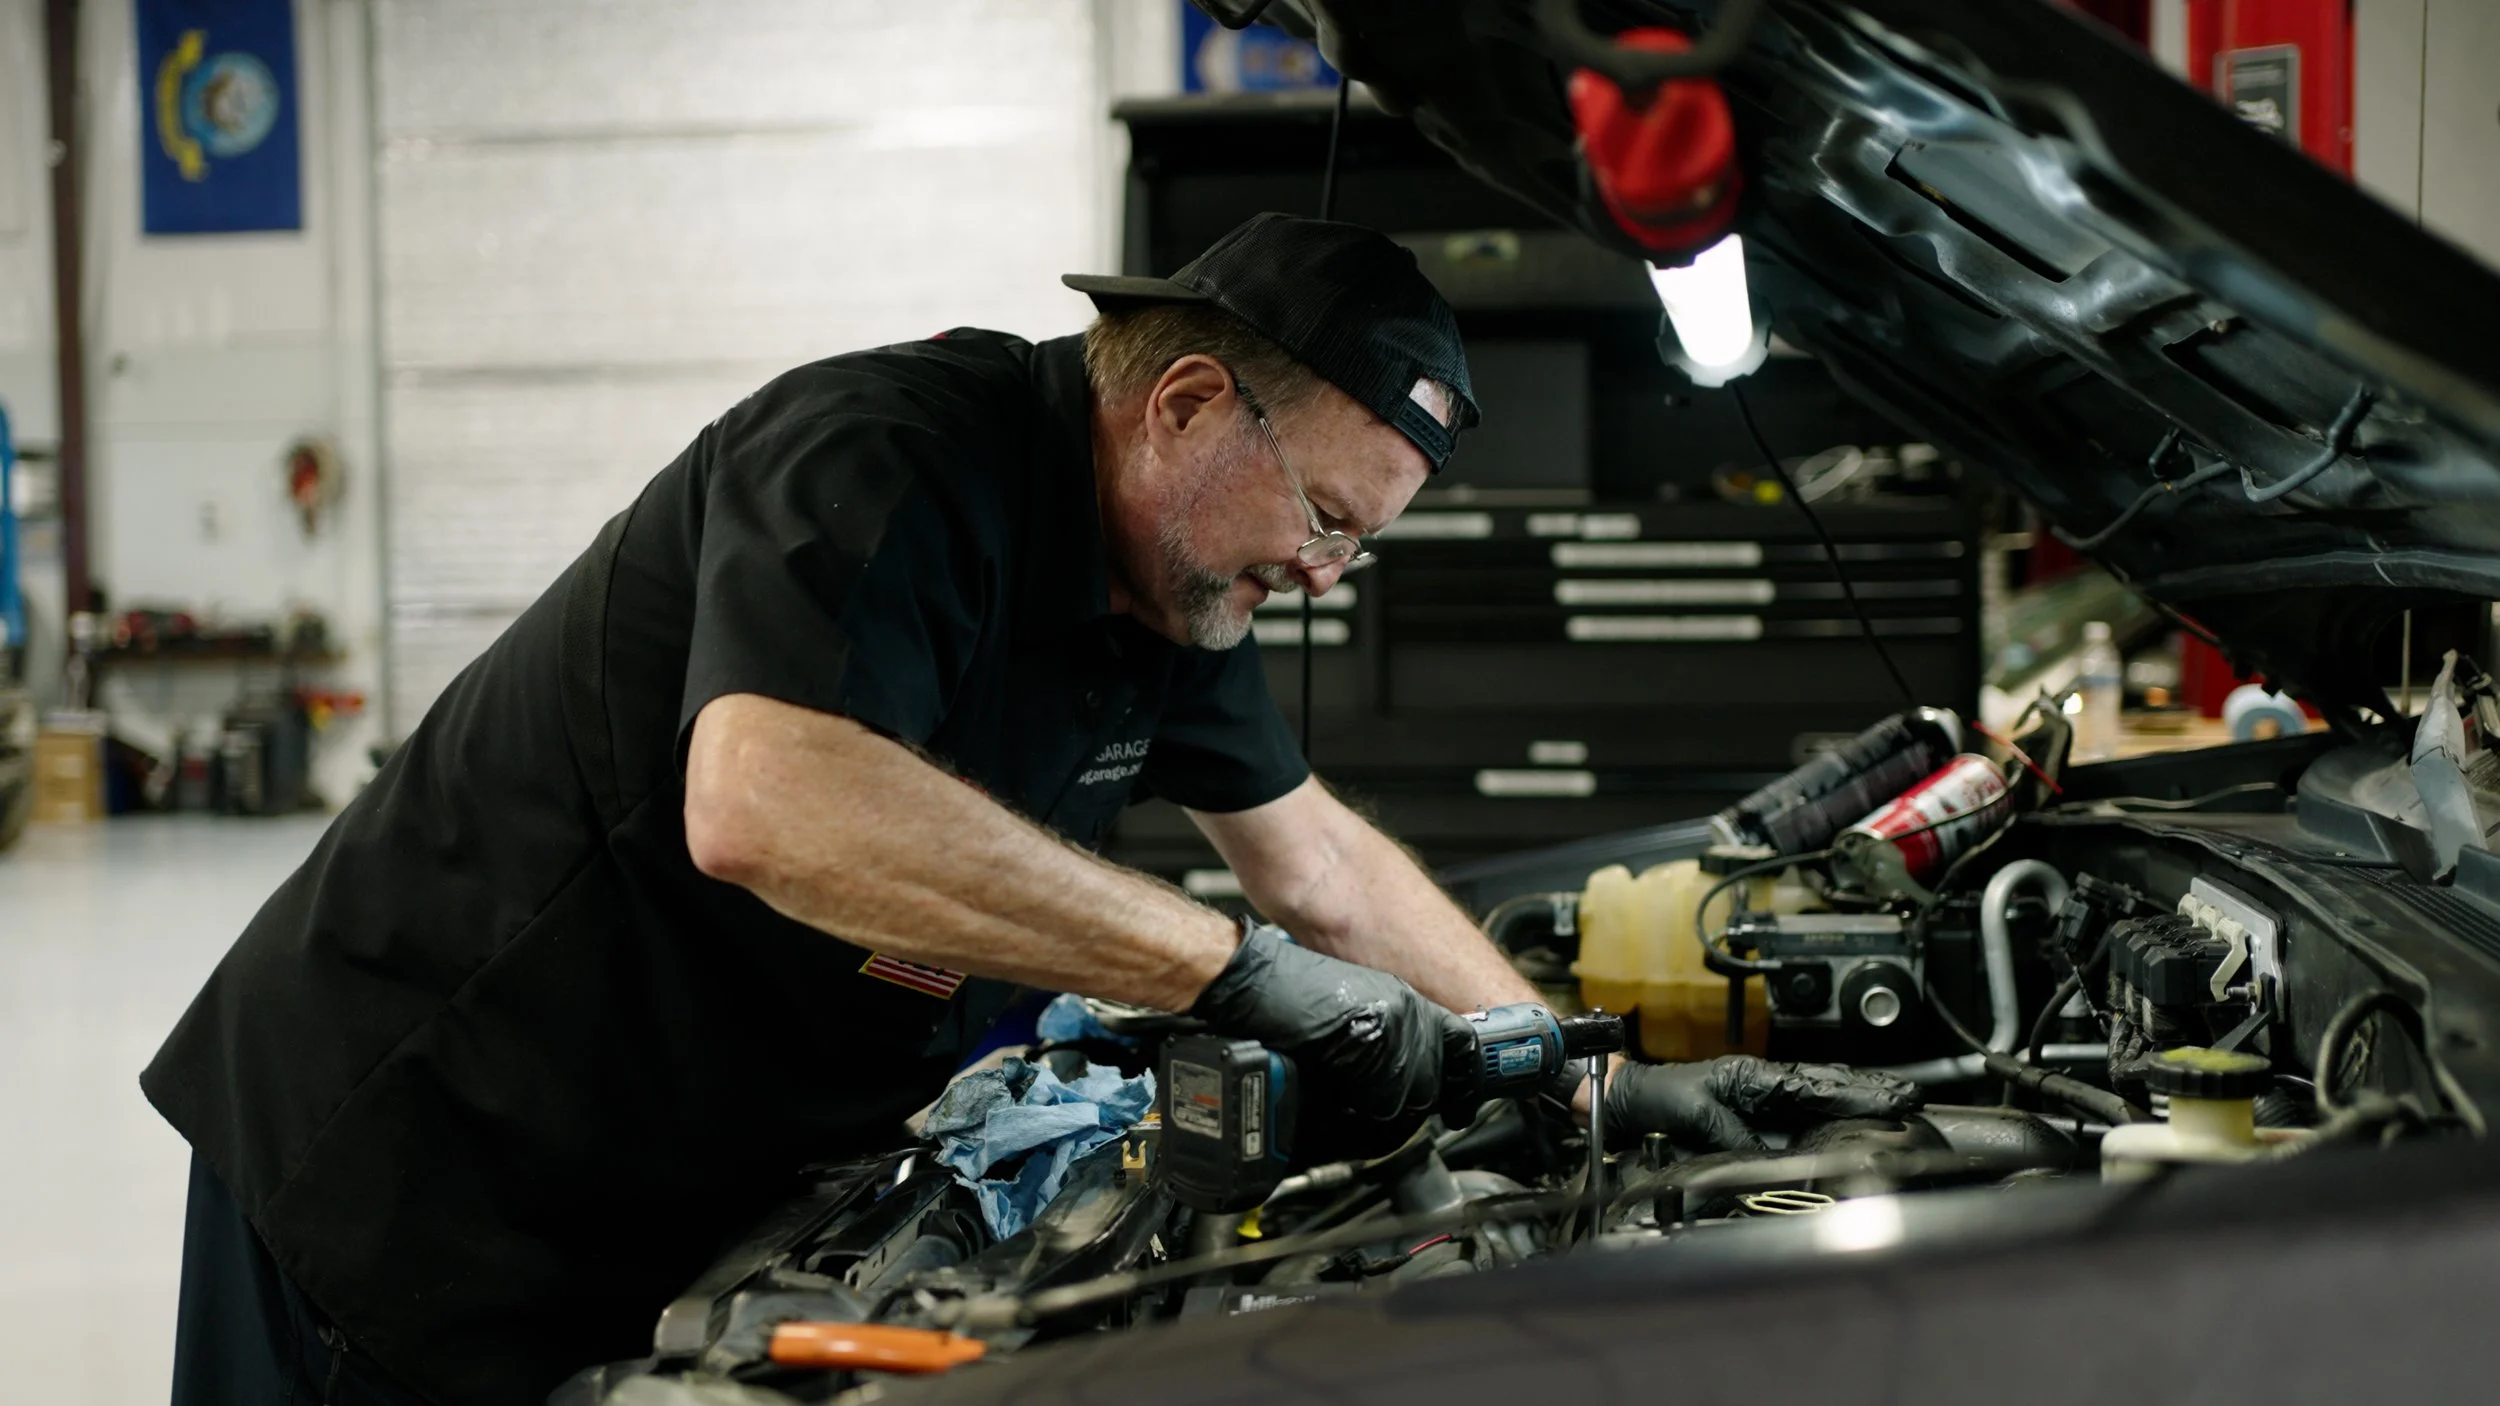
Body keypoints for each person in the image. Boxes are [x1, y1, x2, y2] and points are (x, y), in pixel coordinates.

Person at [146, 214, 1912, 1406]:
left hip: (670, 1180)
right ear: (1190, 403)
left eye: (1357, 543)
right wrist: (1220, 972)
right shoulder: (886, 456)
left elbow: (1319, 866)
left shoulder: (1177, 590)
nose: (1324, 572)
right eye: (1330, 520)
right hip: (415, 1142)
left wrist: (1565, 1074)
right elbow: (763, 800)